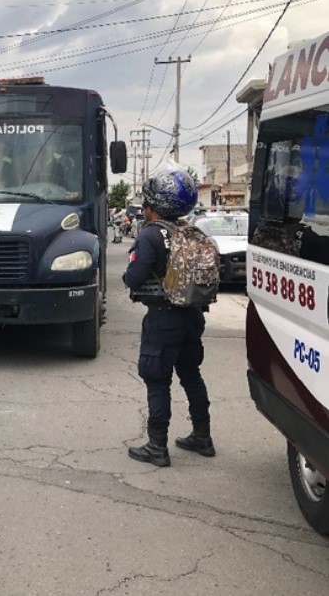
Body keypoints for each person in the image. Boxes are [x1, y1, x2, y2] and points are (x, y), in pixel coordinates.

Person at [123, 168, 214, 467]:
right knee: (191, 374)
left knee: (157, 380)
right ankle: (202, 436)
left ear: (151, 206)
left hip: (163, 318)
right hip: (193, 316)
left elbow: (134, 278)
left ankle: (156, 447)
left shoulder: (150, 235)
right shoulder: (191, 232)